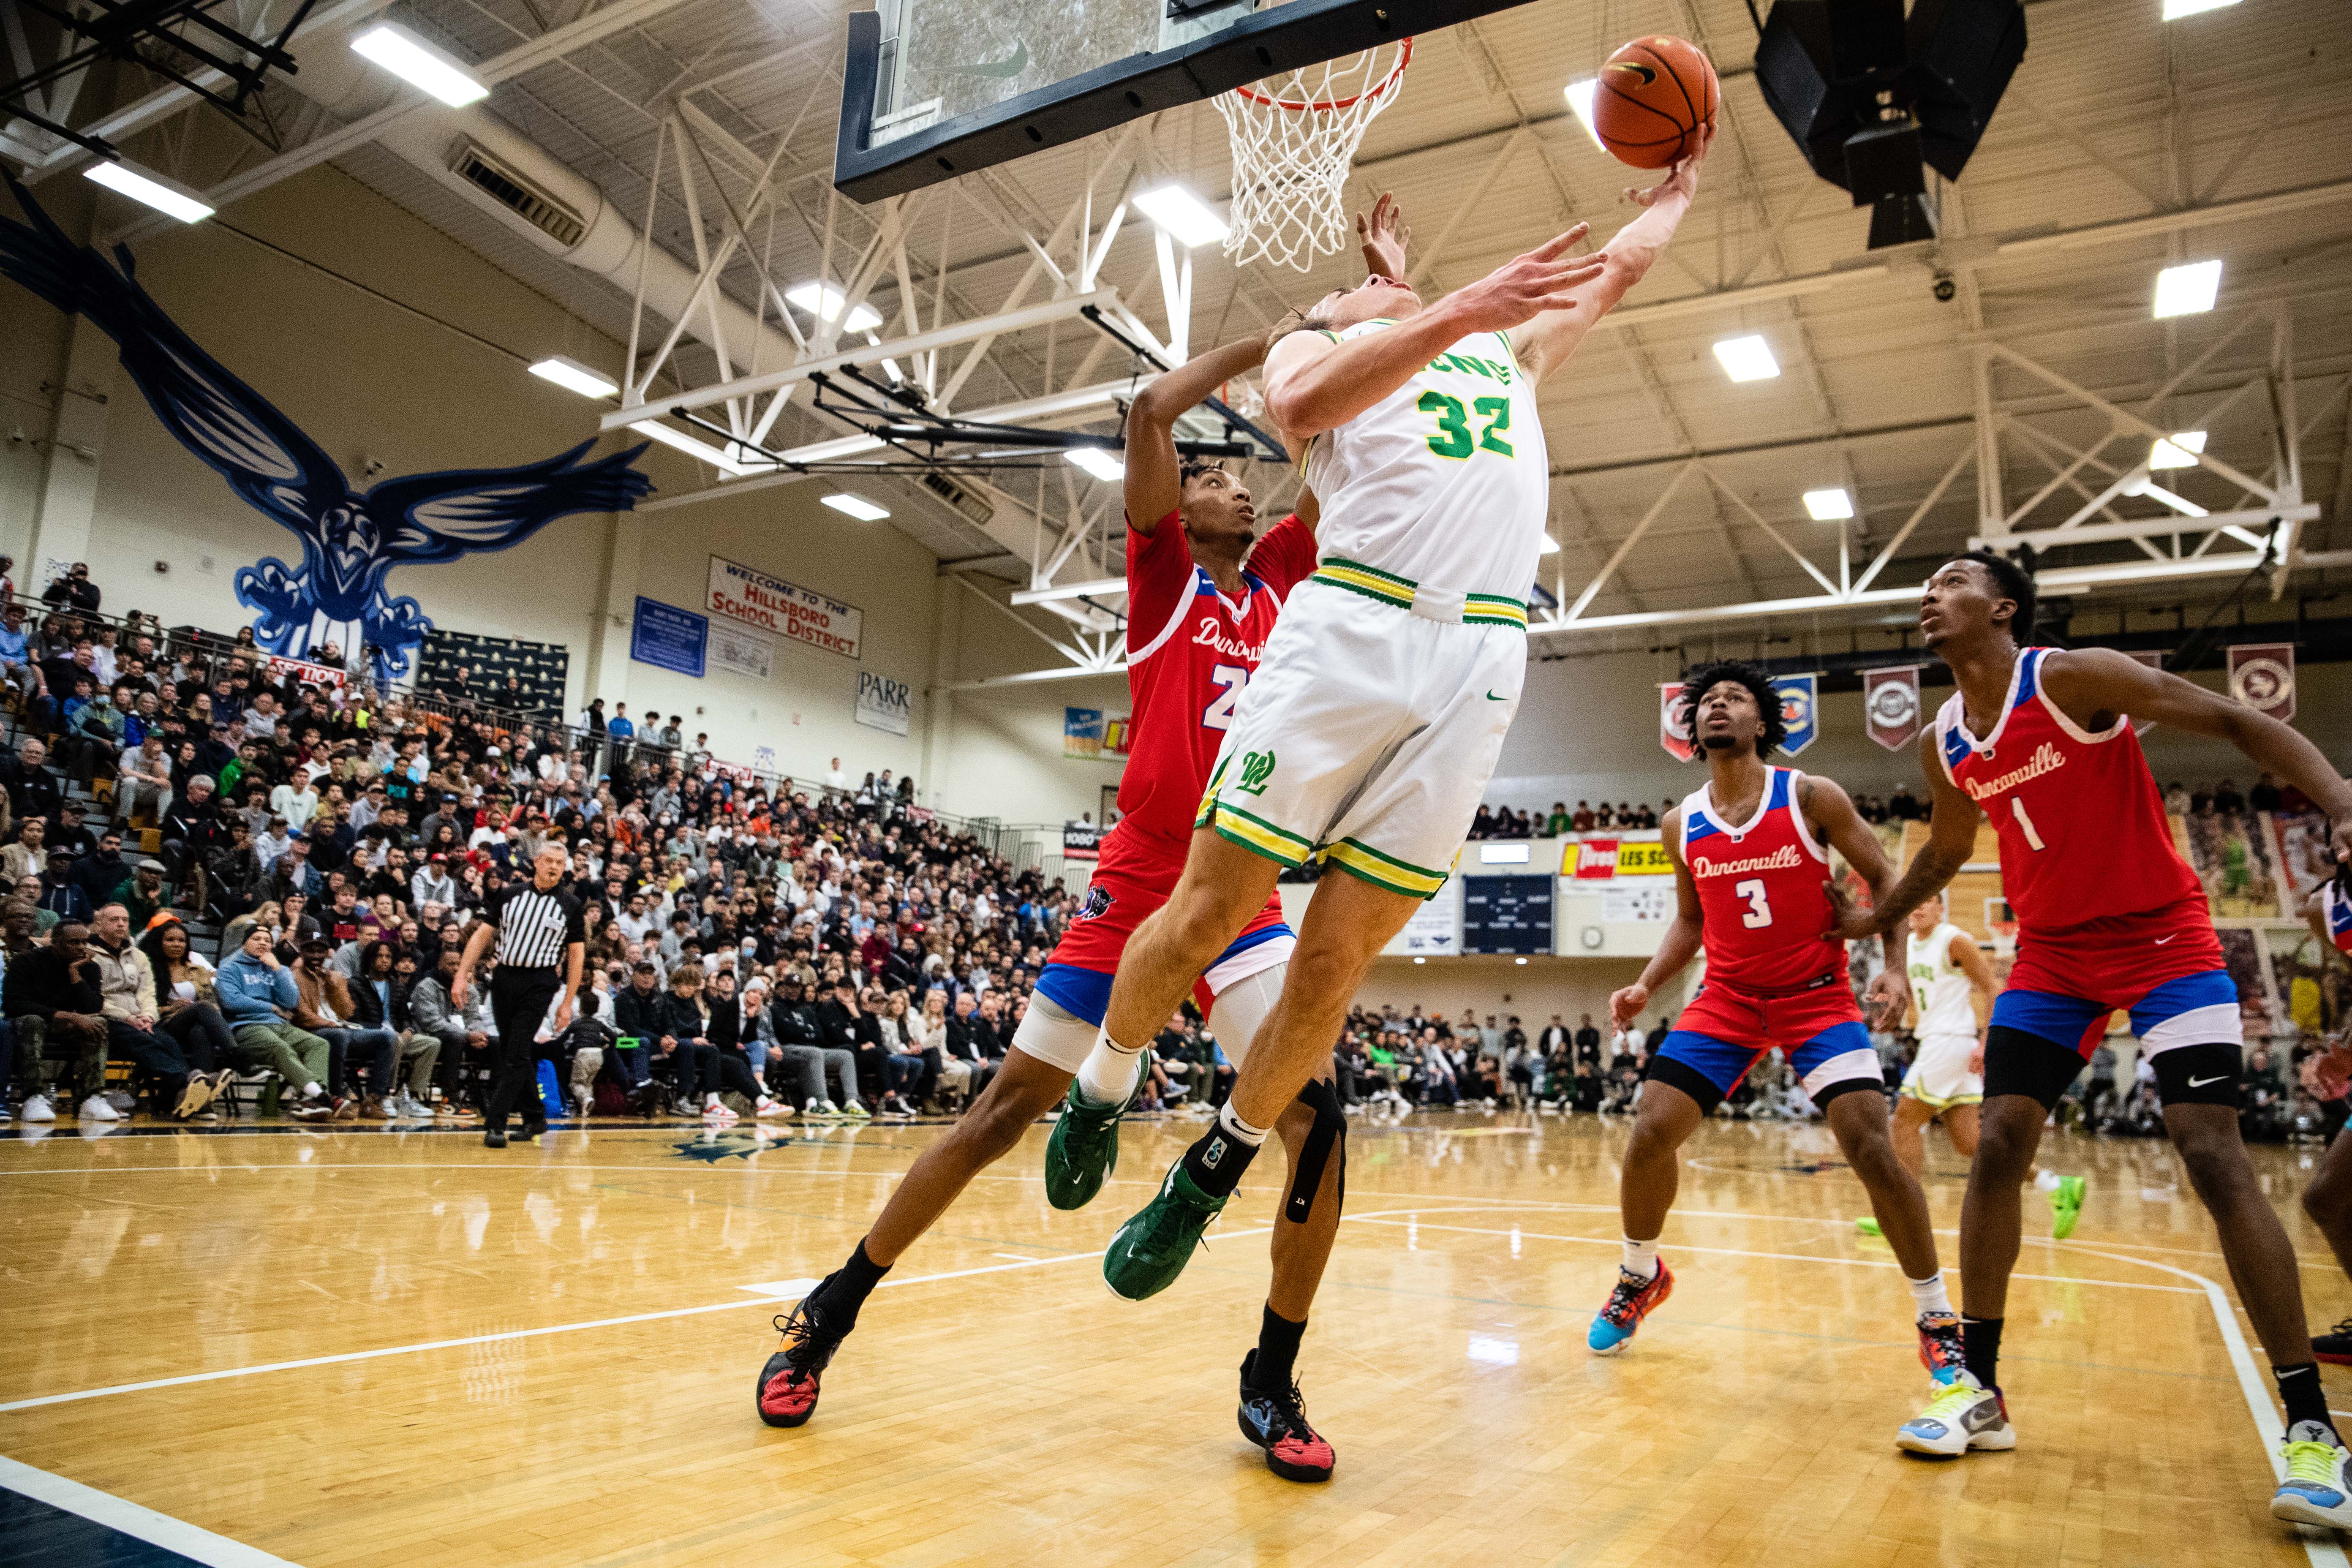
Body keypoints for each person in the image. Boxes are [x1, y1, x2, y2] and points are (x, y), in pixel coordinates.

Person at [755, 247, 1375, 1475]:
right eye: (1208, 477)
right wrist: (1261, 349)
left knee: (1325, 1123)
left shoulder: (1283, 586)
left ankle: (1270, 1376)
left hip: (1240, 884)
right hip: (1139, 878)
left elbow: (1330, 462)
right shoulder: (1158, 582)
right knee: (993, 1116)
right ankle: (827, 1311)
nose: (1227, 483)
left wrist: (1352, 328)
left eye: (1234, 476)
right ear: (1176, 512)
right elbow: (1148, 410)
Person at [1086, 140, 1708, 1314]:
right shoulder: (1319, 341)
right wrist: (1424, 301)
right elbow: (1301, 400)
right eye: (1354, 292)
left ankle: (1208, 1172)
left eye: (1381, 286)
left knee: (1335, 968)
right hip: (1356, 630)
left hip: (1483, 656)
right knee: (1210, 910)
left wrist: (1674, 196)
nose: (1370, 287)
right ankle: (1102, 1082)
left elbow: (1613, 271)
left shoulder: (1503, 355)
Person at [1835, 548, 2352, 1523]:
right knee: (1995, 1145)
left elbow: (2239, 719)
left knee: (2209, 1151)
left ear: (2001, 608)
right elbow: (1947, 847)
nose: (1928, 594)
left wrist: (2342, 800)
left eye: (1950, 580)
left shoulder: (2069, 678)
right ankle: (1976, 1391)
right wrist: (1877, 919)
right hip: (2053, 958)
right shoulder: (1944, 737)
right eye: (1926, 584)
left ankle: (2311, 1428)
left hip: (2164, 940)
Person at [1590, 662, 1951, 1445]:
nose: (1715, 705)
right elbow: (1689, 921)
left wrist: (1891, 964)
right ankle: (1638, 1274)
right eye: (1705, 701)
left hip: (1815, 995)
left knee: (1870, 1145)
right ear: (1693, 729)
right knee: (1650, 1127)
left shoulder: (1809, 796)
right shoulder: (1678, 820)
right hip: (1724, 997)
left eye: (1733, 698)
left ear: (1762, 723)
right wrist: (1647, 984)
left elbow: (1885, 876)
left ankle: (1936, 1316)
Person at [1886, 893, 2082, 1235]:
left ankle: (1904, 1217)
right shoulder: (1908, 946)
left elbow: (1992, 988)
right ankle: (2053, 1184)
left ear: (1940, 906)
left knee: (1903, 1122)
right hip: (1938, 1041)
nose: (1916, 908)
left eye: (1924, 902)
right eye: (1912, 902)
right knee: (1969, 1142)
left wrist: (1985, 1043)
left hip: (1951, 1041)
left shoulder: (1955, 940)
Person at [452, 845, 585, 1147]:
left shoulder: (571, 904)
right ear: (536, 863)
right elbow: (482, 935)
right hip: (505, 978)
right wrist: (461, 975)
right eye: (548, 861)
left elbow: (577, 956)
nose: (554, 867)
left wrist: (567, 1002)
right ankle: (535, 1118)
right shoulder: (510, 895)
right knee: (516, 1051)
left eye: (560, 863)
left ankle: (495, 1123)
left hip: (541, 981)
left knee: (515, 1052)